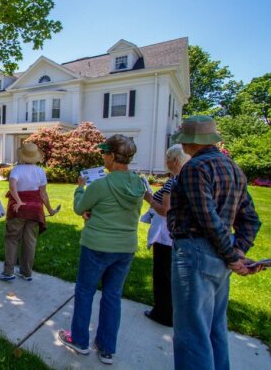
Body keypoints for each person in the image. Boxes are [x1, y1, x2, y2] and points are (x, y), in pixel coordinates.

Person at [168, 116, 261, 370]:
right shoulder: (233, 168)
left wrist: (233, 255)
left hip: (195, 252)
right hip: (221, 254)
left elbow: (207, 218)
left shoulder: (195, 168)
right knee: (214, 327)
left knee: (191, 331)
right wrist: (238, 249)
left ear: (190, 141)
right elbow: (250, 218)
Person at [58, 134, 145, 365]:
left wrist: (79, 189)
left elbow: (79, 208)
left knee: (85, 292)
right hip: (125, 248)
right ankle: (107, 348)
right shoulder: (139, 183)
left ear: (112, 155)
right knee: (112, 296)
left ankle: (79, 340)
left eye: (104, 153)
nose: (102, 157)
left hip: (96, 245)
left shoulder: (101, 184)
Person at [142, 144, 190, 327]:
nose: (165, 162)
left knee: (162, 275)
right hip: (177, 234)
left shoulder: (173, 182)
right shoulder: (186, 179)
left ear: (175, 160)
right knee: (171, 275)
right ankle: (172, 311)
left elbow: (166, 211)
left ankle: (163, 312)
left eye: (167, 158)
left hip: (165, 235)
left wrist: (149, 199)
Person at [0, 142, 59, 282]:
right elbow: (43, 194)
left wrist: (18, 201)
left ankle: (8, 272)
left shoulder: (17, 170)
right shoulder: (40, 171)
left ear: (22, 156)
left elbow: (12, 187)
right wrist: (50, 210)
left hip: (17, 210)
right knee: (30, 241)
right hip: (35, 210)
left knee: (12, 239)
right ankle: (26, 272)